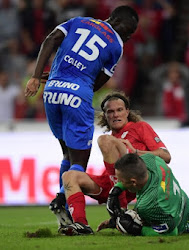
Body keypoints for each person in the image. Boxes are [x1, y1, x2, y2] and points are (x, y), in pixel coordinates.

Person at [24, 6, 139, 217]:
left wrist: (35, 76)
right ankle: (62, 199)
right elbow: (98, 83)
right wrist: (79, 83)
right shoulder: (116, 45)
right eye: (129, 31)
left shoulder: (78, 21)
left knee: (66, 153)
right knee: (79, 161)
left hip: (51, 92)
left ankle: (64, 208)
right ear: (118, 23)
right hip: (77, 96)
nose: (128, 36)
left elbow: (50, 39)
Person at [56, 92, 171, 235]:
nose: (115, 115)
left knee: (104, 140)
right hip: (111, 184)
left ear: (127, 112)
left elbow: (166, 156)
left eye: (119, 110)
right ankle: (81, 225)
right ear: (105, 116)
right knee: (69, 176)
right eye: (110, 112)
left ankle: (120, 208)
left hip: (137, 179)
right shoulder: (111, 138)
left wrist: (135, 151)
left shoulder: (140, 127)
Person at [106, 153, 189, 236]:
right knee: (188, 205)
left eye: (121, 181)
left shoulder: (147, 205)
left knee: (167, 228)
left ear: (133, 182)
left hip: (173, 220)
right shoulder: (152, 160)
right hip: (183, 200)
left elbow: (166, 231)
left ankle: (186, 227)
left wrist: (138, 230)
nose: (118, 183)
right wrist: (118, 189)